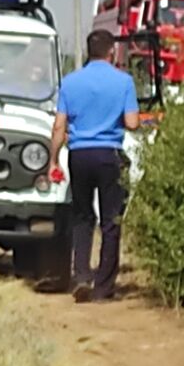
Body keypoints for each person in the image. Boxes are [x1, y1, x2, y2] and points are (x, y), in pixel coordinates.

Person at [48, 30, 139, 303]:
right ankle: (103, 286)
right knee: (111, 220)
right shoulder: (123, 81)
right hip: (109, 153)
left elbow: (59, 126)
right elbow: (133, 123)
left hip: (79, 154)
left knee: (82, 216)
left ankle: (81, 275)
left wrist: (53, 160)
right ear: (112, 52)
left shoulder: (71, 83)